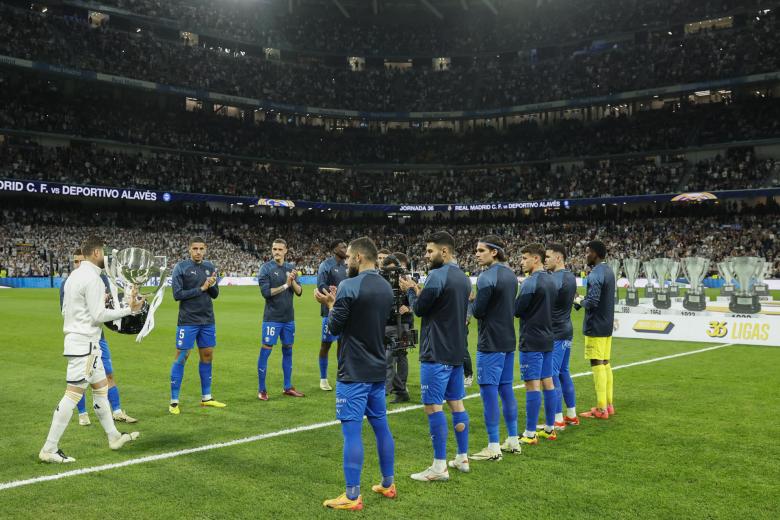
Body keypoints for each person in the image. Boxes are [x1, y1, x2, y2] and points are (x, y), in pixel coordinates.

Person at [39, 235, 142, 463]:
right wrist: (129, 310)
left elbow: (69, 311)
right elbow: (98, 315)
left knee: (100, 389)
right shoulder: (93, 278)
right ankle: (49, 448)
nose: (105, 256)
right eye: (103, 252)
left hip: (83, 342)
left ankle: (113, 436)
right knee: (72, 395)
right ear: (96, 253)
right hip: (85, 344)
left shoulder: (74, 277)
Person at [314, 237, 396, 511]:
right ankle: (388, 483)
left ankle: (351, 496)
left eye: (349, 257)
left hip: (353, 370)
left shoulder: (349, 285)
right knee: (381, 426)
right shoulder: (386, 287)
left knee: (351, 432)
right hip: (377, 367)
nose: (347, 261)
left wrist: (330, 304)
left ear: (359, 257)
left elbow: (334, 329)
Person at [400, 231, 471, 482]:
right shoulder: (463, 277)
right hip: (455, 351)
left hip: (436, 351)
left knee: (432, 406)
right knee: (456, 403)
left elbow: (419, 309)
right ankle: (462, 457)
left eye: (430, 251)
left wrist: (411, 290)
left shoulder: (437, 275)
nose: (426, 255)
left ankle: (439, 466)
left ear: (444, 251)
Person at [60, 248, 136, 426]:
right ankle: (82, 413)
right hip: (82, 338)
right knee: (80, 382)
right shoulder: (68, 282)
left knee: (107, 375)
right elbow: (66, 312)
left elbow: (108, 307)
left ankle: (116, 412)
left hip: (98, 337)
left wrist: (107, 301)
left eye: (81, 261)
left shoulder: (99, 279)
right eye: (75, 262)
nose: (78, 265)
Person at [469, 236, 520, 461]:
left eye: (481, 250)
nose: (477, 254)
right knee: (506, 390)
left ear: (495, 252)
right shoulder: (511, 275)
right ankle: (513, 439)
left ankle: (492, 445)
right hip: (508, 339)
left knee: (489, 392)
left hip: (490, 342)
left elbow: (479, 311)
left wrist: (471, 301)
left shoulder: (487, 276)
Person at [169, 237, 225, 414]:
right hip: (188, 321)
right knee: (182, 357)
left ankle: (206, 397)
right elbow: (177, 294)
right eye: (195, 248)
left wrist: (212, 285)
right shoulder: (181, 267)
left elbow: (215, 294)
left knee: (207, 355)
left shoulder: (210, 267)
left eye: (201, 248)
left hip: (207, 320)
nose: (198, 252)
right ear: (189, 249)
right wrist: (201, 288)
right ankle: (174, 401)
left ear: (205, 249)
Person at [514, 243, 557, 445]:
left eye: (524, 258)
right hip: (548, 337)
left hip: (531, 338)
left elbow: (518, 309)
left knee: (532, 385)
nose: (521, 262)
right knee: (547, 382)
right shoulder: (551, 280)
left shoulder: (530, 282)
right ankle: (549, 428)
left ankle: (530, 433)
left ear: (536, 259)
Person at [257, 238, 304, 400]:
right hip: (272, 318)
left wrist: (292, 282)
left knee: (288, 350)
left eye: (279, 249)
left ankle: (288, 387)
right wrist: (286, 284)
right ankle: (262, 389)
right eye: (274, 249)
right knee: (266, 352)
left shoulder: (290, 268)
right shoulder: (265, 269)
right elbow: (266, 293)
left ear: (285, 251)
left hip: (288, 319)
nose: (276, 252)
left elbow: (299, 292)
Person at [575, 240, 616, 419]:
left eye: (587, 252)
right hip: (606, 324)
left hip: (595, 325)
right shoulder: (609, 271)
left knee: (596, 363)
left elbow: (592, 302)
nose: (586, 256)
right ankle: (608, 404)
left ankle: (600, 409)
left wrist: (578, 301)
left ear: (595, 253)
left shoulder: (595, 274)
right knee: (605, 362)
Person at [545, 243, 580, 427]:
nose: (545, 260)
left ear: (558, 258)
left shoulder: (556, 278)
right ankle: (571, 414)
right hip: (566, 329)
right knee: (564, 372)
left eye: (548, 257)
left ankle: (558, 418)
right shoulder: (570, 277)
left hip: (555, 332)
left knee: (552, 375)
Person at [316, 240, 348, 391]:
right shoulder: (326, 265)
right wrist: (329, 290)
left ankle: (341, 375)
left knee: (342, 345)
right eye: (342, 247)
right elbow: (320, 285)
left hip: (345, 311)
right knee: (326, 344)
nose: (345, 249)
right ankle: (323, 379)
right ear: (335, 249)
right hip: (328, 311)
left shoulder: (346, 266)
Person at [382, 252, 413, 404]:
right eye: (388, 270)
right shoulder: (381, 280)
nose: (391, 274)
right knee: (388, 358)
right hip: (386, 322)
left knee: (398, 356)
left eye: (393, 270)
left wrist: (408, 307)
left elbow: (418, 300)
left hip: (403, 323)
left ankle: (387, 391)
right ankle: (400, 390)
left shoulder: (406, 280)